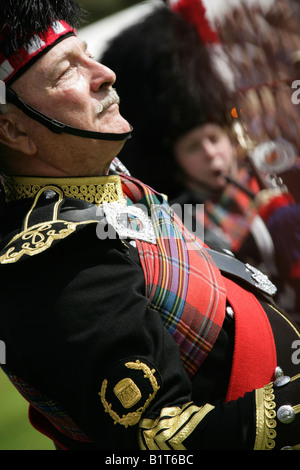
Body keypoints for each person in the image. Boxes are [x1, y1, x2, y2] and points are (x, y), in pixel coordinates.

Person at [0, 0, 300, 451]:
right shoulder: (60, 263)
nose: (104, 73)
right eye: (66, 71)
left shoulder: (103, 185)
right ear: (15, 132)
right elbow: (159, 442)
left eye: (88, 54)